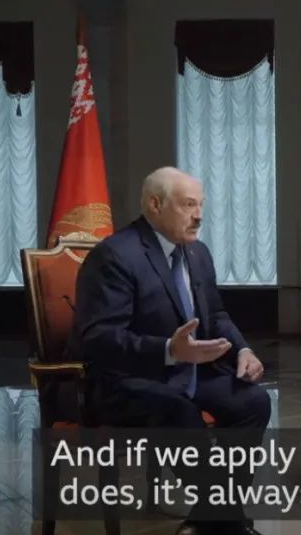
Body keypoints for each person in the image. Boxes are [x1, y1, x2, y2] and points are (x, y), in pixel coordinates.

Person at [71, 166, 269, 535]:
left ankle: (208, 517)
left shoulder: (198, 253)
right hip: (129, 381)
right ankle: (228, 524)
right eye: (189, 205)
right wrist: (167, 350)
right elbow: (98, 338)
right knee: (177, 410)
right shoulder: (114, 255)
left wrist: (243, 350)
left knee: (253, 402)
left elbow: (217, 315)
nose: (199, 215)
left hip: (188, 373)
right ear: (155, 204)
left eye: (201, 205)